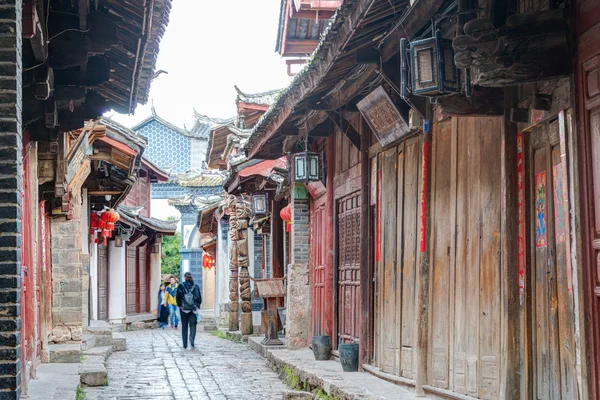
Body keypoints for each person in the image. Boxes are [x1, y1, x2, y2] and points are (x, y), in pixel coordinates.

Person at [176, 272, 202, 349]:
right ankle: (192, 338)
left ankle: (184, 344)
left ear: (184, 277)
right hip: (193, 309)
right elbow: (199, 298)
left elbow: (178, 297)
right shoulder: (196, 286)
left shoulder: (181, 286)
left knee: (184, 326)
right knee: (193, 325)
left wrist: (179, 305)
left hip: (183, 309)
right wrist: (197, 306)